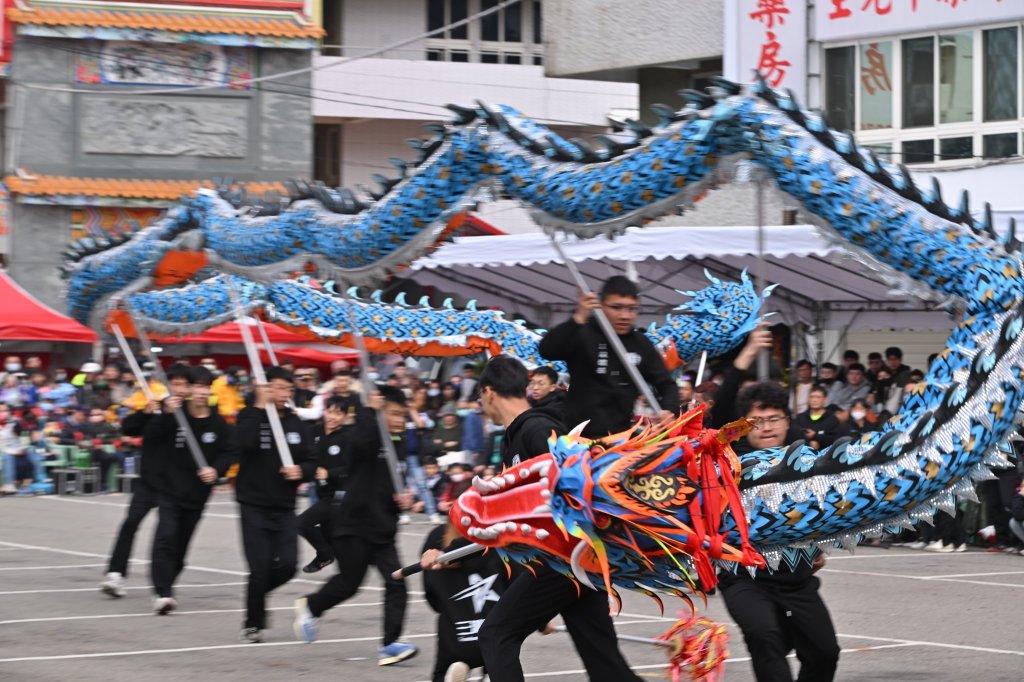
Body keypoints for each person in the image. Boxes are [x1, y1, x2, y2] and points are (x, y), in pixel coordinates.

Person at [459, 355, 643, 682]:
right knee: (605, 666)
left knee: (495, 634)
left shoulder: (537, 429)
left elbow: (573, 491)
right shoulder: (519, 435)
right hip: (573, 561)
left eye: (479, 397)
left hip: (566, 557)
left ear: (488, 392)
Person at [709, 329, 841, 682]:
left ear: (787, 419)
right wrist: (747, 354)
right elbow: (718, 412)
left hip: (796, 575)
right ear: (744, 426)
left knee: (825, 652)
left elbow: (822, 505)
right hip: (744, 575)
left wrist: (818, 547)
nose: (766, 428)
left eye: (774, 419)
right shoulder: (733, 456)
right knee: (764, 636)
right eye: (757, 421)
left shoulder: (804, 457)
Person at [293, 386, 418, 667]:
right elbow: (357, 449)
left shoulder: (398, 441)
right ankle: (311, 606)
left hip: (383, 528)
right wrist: (370, 412)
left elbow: (393, 481)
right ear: (381, 411)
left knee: (397, 584)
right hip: (354, 524)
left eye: (403, 415)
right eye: (394, 414)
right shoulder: (365, 433)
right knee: (349, 583)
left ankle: (389, 645)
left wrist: (403, 498)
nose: (400, 420)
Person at [537, 276, 679, 438]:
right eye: (616, 307)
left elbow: (666, 384)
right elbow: (546, 350)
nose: (624, 315)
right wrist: (579, 317)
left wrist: (669, 410)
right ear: (601, 306)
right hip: (576, 437)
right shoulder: (583, 332)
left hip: (620, 437)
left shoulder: (640, 343)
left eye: (631, 309)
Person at [235, 366, 315, 643]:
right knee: (259, 567)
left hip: (284, 506)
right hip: (253, 504)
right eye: (278, 388)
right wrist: (259, 405)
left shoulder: (296, 423)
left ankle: (255, 593)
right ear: (265, 387)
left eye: (288, 389)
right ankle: (253, 623)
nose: (284, 394)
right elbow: (242, 446)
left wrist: (301, 472)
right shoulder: (249, 416)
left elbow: (311, 460)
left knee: (289, 564)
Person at [147, 365, 235, 614]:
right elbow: (152, 438)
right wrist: (165, 414)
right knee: (166, 536)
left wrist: (216, 471)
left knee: (180, 547)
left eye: (206, 387)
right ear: (190, 389)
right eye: (197, 386)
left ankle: (167, 581)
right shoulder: (175, 415)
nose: (201, 392)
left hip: (196, 495)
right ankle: (163, 592)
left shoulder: (218, 423)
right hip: (169, 490)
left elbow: (229, 451)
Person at [100, 366, 183, 598]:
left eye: (183, 384)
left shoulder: (192, 413)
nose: (178, 389)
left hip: (174, 485)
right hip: (149, 481)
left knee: (168, 536)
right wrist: (147, 412)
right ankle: (115, 573)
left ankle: (166, 582)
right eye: (174, 384)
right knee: (130, 524)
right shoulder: (155, 406)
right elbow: (129, 428)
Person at [419, 480, 510, 682]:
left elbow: (430, 593)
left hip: (455, 635)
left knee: (443, 673)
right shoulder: (498, 538)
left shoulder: (436, 540)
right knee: (502, 664)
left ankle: (451, 674)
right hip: (495, 633)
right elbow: (517, 582)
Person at [298, 396, 350, 573]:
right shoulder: (313, 431)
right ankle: (327, 556)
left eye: (338, 413)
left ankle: (325, 555)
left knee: (301, 523)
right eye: (330, 411)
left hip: (339, 495)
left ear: (344, 416)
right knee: (330, 535)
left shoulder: (348, 436)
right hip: (320, 491)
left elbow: (352, 466)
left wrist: (330, 473)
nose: (333, 417)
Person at [792, 386, 841, 451]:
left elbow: (836, 439)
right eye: (812, 397)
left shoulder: (832, 419)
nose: (814, 400)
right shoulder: (800, 418)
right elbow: (793, 437)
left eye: (818, 397)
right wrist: (808, 443)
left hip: (824, 456)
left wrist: (816, 436)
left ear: (825, 399)